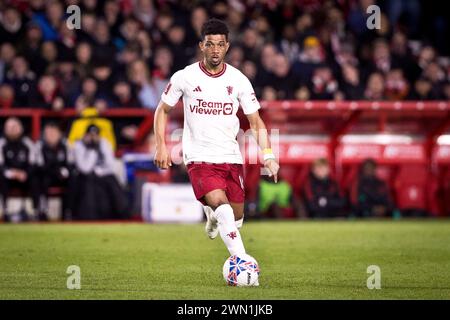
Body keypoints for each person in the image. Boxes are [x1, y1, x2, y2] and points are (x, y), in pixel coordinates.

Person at [153, 19, 280, 278]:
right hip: (199, 157)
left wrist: (268, 156)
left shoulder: (239, 80)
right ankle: (244, 265)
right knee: (223, 210)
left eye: (220, 45)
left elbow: (255, 121)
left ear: (227, 47)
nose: (215, 50)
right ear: (202, 46)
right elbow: (162, 110)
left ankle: (212, 217)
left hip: (230, 157)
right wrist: (161, 146)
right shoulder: (185, 77)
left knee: (235, 219)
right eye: (210, 44)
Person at [72, 124, 128, 220]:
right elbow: (85, 168)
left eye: (95, 135)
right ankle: (90, 216)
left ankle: (123, 212)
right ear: (86, 135)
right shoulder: (79, 145)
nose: (93, 138)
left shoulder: (104, 143)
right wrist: (92, 149)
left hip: (103, 174)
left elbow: (111, 165)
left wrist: (100, 171)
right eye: (90, 135)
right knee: (89, 182)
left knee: (112, 180)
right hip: (84, 177)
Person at [0, 117, 39, 221]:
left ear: (20, 128)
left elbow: (33, 163)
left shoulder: (28, 143)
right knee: (1, 179)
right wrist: (11, 173)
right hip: (8, 177)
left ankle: (35, 211)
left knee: (36, 179)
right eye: (9, 127)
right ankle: (5, 211)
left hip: (24, 176)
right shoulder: (2, 143)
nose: (12, 129)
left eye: (14, 127)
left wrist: (25, 174)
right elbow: (1, 165)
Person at [35, 123, 74, 221]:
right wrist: (55, 170)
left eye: (54, 133)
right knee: (38, 179)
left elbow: (71, 163)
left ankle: (68, 211)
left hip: (61, 176)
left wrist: (65, 171)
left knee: (73, 179)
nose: (51, 135)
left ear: (59, 134)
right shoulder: (40, 146)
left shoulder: (65, 144)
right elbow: (39, 165)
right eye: (48, 133)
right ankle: (42, 211)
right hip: (46, 175)